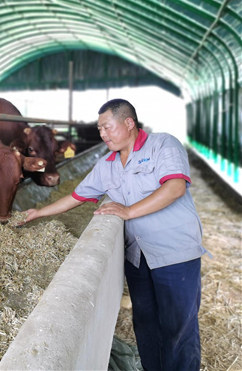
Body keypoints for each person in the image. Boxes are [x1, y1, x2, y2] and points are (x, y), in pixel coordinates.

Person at [22, 99, 206, 371]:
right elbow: (76, 196)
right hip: (138, 256)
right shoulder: (106, 164)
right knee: (145, 321)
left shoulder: (162, 145)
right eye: (99, 130)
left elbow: (176, 187)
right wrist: (39, 212)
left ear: (129, 123)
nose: (103, 135)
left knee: (178, 324)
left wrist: (129, 211)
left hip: (174, 252)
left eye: (107, 127)